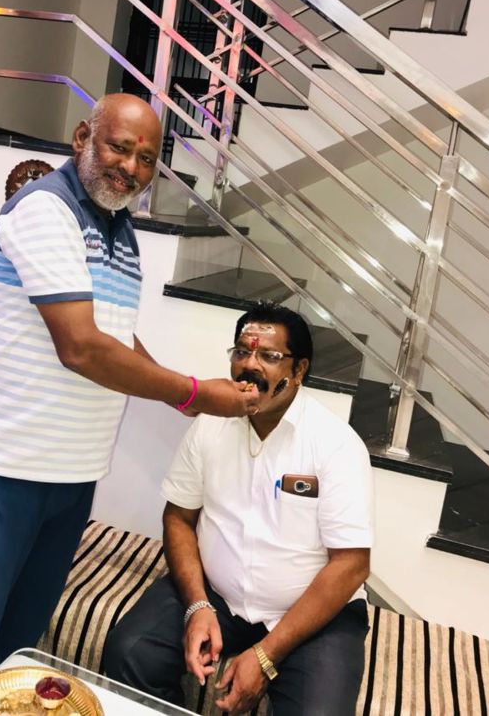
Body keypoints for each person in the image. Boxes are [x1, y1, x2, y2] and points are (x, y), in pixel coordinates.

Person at [0, 93, 259, 716]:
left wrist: (179, 393)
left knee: (11, 657)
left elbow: (113, 336)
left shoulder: (121, 231)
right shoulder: (45, 208)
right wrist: (194, 393)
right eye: (120, 147)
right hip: (1, 470)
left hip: (72, 477)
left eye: (147, 159)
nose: (132, 168)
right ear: (83, 138)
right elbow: (82, 347)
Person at [104, 301, 373, 716]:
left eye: (270, 356)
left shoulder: (335, 444)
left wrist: (266, 655)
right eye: (242, 352)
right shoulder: (210, 423)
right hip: (218, 597)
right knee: (129, 653)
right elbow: (179, 517)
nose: (250, 365)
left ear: (299, 370)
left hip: (312, 616)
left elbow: (351, 565)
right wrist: (197, 605)